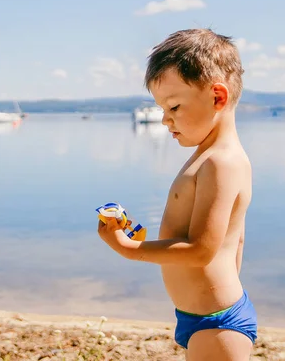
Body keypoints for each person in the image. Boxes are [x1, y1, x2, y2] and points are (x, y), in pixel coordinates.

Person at [98, 28, 257, 360]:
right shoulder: (209, 157)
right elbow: (236, 241)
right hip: (204, 314)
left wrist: (129, 248)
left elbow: (202, 251)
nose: (164, 119)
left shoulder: (221, 163)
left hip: (216, 322)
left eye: (173, 106)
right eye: (161, 108)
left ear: (217, 97)